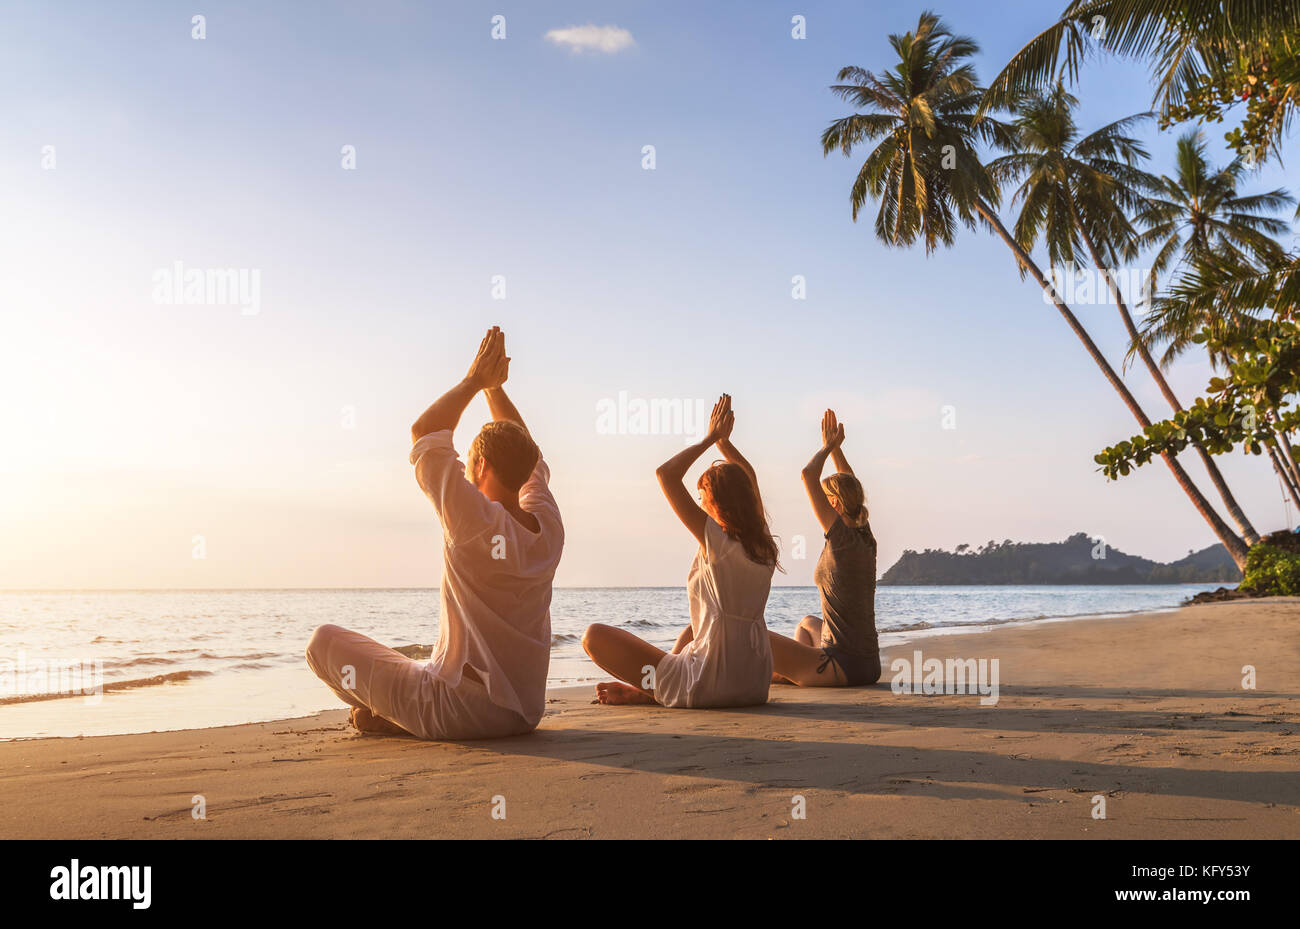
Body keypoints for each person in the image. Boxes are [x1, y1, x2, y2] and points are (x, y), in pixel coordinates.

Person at [305, 326, 564, 738]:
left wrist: (476, 381)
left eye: (470, 465)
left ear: (480, 468)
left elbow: (426, 433)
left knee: (322, 643)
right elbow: (526, 451)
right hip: (523, 714)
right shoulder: (548, 525)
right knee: (413, 666)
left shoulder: (472, 519)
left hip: (457, 710)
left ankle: (396, 718)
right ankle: (394, 712)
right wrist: (494, 391)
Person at [582, 394, 778, 708]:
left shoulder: (718, 542)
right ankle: (651, 690)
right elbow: (749, 479)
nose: (700, 505)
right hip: (754, 683)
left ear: (717, 503)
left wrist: (710, 438)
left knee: (593, 637)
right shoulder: (764, 546)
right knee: (691, 632)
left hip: (711, 683)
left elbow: (666, 475)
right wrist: (725, 445)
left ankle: (650, 692)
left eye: (703, 498)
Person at [768, 410, 881, 686]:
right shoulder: (865, 536)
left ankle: (789, 675)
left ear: (835, 505)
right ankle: (793, 674)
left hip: (842, 664)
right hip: (868, 664)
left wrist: (827, 447)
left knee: (756, 637)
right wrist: (837, 451)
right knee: (807, 624)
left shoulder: (841, 538)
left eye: (828, 497)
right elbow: (850, 484)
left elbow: (808, 475)